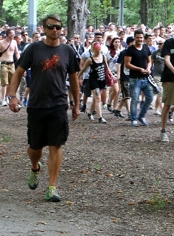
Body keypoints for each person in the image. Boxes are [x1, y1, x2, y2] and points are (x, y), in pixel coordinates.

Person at [6, 14, 81, 203]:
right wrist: (13, 96)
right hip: (37, 104)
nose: (54, 29)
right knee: (35, 147)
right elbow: (18, 72)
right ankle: (34, 167)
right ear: (44, 28)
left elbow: (73, 79)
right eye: (50, 26)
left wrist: (77, 104)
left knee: (56, 144)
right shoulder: (34, 49)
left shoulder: (68, 51)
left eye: (58, 26)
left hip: (58, 104)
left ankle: (52, 187)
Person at [124, 30, 154, 127]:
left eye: (141, 37)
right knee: (135, 99)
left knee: (150, 97)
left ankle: (141, 116)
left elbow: (149, 61)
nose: (140, 39)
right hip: (135, 78)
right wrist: (139, 69)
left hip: (146, 78)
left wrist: (148, 68)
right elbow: (127, 64)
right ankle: (133, 118)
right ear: (135, 38)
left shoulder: (145, 47)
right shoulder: (130, 49)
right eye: (138, 37)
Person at [79, 41, 109, 123]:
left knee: (96, 99)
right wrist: (78, 77)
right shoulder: (90, 59)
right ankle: (100, 117)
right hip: (93, 80)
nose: (99, 51)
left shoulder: (103, 57)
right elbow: (84, 69)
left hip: (102, 80)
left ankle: (89, 113)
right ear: (93, 50)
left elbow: (107, 67)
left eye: (99, 49)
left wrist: (112, 76)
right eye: (97, 49)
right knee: (98, 98)